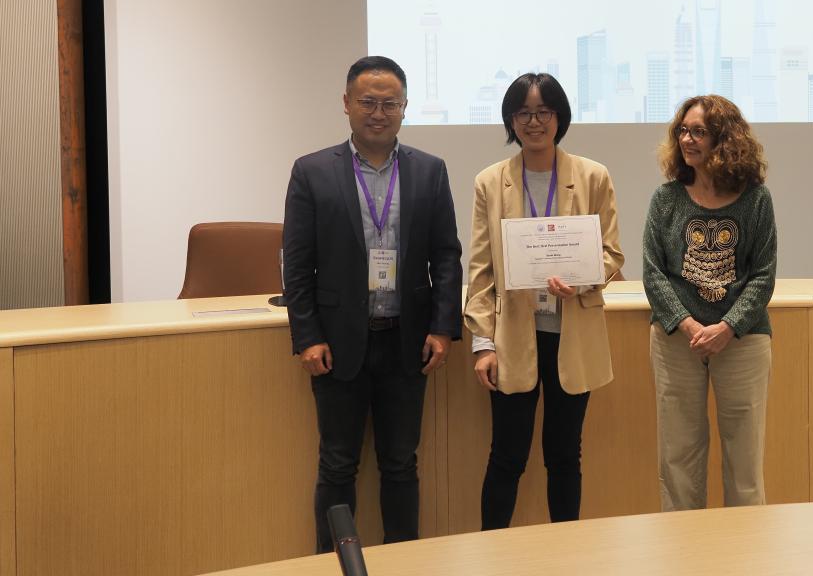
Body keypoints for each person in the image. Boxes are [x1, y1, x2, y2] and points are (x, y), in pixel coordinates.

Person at [283, 55, 462, 551]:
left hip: (407, 340)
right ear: (346, 104)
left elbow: (447, 255)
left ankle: (404, 560)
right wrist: (307, 336)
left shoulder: (430, 171)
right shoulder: (312, 171)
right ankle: (332, 563)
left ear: (405, 107)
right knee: (337, 464)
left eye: (389, 103)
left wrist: (443, 327)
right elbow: (297, 264)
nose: (378, 113)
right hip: (337, 344)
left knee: (401, 463)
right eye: (367, 102)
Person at [464, 72, 624, 530]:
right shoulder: (490, 182)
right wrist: (482, 345)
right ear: (511, 120)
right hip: (514, 336)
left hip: (572, 335)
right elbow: (480, 269)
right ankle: (492, 550)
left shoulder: (593, 176)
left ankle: (567, 552)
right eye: (524, 113)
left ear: (560, 117)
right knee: (507, 456)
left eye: (544, 112)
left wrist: (583, 280)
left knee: (565, 455)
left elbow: (612, 254)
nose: (534, 122)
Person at [642, 94, 776, 511]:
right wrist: (688, 325)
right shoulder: (666, 199)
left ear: (725, 139)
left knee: (745, 464)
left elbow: (763, 275)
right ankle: (683, 547)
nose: (687, 139)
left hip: (742, 341)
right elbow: (653, 273)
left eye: (698, 131)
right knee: (677, 459)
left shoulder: (756, 200)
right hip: (676, 341)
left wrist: (727, 327)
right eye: (682, 130)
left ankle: (744, 547)